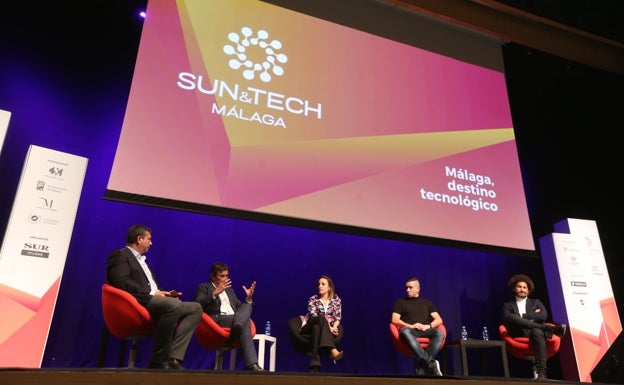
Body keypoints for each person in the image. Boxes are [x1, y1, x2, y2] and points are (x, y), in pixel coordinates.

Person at [106, 224, 203, 370]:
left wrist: (165, 293)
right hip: (138, 301)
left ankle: (173, 358)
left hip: (152, 299)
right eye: (149, 239)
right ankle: (158, 361)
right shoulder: (120, 255)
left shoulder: (142, 261)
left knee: (195, 308)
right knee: (173, 305)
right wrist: (152, 293)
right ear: (139, 239)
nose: (151, 243)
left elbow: (152, 286)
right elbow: (120, 281)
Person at [194, 262, 262, 371]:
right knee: (246, 322)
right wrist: (215, 293)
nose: (225, 278)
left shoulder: (230, 291)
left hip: (233, 318)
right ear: (212, 276)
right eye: (222, 276)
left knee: (247, 306)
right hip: (216, 319)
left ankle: (238, 326)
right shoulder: (204, 287)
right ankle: (251, 363)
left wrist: (248, 299)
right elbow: (197, 304)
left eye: (226, 275)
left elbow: (240, 308)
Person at [503, 274, 567, 380]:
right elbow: (509, 318)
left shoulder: (536, 302)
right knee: (519, 321)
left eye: (525, 287)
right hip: (519, 331)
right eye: (519, 287)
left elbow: (543, 316)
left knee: (536, 331)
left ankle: (541, 372)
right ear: (514, 288)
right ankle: (550, 329)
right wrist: (530, 317)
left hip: (534, 332)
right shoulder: (508, 305)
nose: (522, 289)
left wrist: (523, 316)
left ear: (528, 290)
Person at [391, 277, 444, 376]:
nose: (407, 290)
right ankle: (430, 362)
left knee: (439, 333)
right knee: (404, 331)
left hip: (424, 330)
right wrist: (411, 325)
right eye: (406, 287)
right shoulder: (400, 302)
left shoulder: (427, 303)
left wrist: (428, 326)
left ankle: (422, 364)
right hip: (411, 331)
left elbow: (439, 319)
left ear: (418, 289)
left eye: (410, 287)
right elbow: (394, 320)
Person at [296, 275, 344, 373]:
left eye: (323, 284)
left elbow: (338, 317)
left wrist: (334, 326)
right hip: (309, 326)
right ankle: (332, 350)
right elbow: (314, 316)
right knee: (320, 318)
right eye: (318, 284)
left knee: (316, 329)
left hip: (320, 328)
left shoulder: (336, 301)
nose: (320, 286)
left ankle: (315, 366)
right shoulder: (313, 300)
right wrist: (329, 328)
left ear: (329, 287)